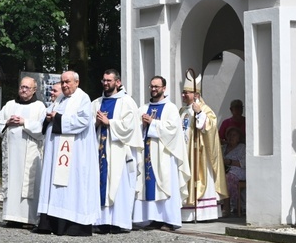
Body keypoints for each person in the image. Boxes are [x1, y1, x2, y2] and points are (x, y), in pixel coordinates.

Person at [36, 71, 99, 236]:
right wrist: (50, 117)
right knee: (53, 184)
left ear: (77, 82)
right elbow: (48, 114)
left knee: (71, 186)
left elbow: (84, 121)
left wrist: (58, 118)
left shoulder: (83, 98)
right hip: (55, 152)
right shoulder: (60, 98)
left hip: (75, 153)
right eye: (62, 82)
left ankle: (71, 226)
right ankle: (49, 224)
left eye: (67, 82)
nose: (64, 85)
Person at [133, 76, 190, 231]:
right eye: (151, 86)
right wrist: (142, 124)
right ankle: (153, 218)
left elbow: (173, 130)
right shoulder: (143, 108)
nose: (153, 89)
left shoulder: (171, 108)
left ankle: (169, 219)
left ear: (164, 88)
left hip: (165, 154)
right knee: (149, 184)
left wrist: (152, 123)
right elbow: (135, 129)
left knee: (166, 184)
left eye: (157, 86)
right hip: (147, 153)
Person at [0, 76, 47, 228]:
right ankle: (11, 217)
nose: (23, 90)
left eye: (27, 88)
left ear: (34, 90)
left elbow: (43, 129)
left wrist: (25, 122)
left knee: (28, 184)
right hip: (11, 152)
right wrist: (7, 122)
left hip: (30, 153)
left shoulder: (39, 107)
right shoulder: (10, 105)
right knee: (12, 182)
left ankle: (29, 219)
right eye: (21, 87)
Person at [92, 69, 141, 234]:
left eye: (109, 80)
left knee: (118, 185)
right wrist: (97, 124)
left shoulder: (127, 102)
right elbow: (88, 125)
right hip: (100, 150)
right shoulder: (96, 102)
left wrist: (109, 122)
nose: (106, 83)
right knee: (101, 183)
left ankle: (119, 222)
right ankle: (101, 221)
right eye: (104, 80)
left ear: (118, 82)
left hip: (119, 152)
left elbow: (130, 127)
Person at [179, 72, 228, 222]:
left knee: (200, 178)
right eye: (183, 92)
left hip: (200, 155)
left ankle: (203, 213)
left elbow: (211, 128)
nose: (183, 95)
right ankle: (186, 213)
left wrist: (199, 113)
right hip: (184, 153)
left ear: (195, 94)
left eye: (186, 93)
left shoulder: (205, 109)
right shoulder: (182, 111)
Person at [222, 126, 246, 216]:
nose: (231, 137)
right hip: (225, 170)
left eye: (234, 135)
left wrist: (230, 162)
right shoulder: (224, 148)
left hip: (239, 170)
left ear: (239, 138)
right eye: (230, 135)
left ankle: (227, 206)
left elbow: (244, 163)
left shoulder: (242, 147)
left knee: (228, 178)